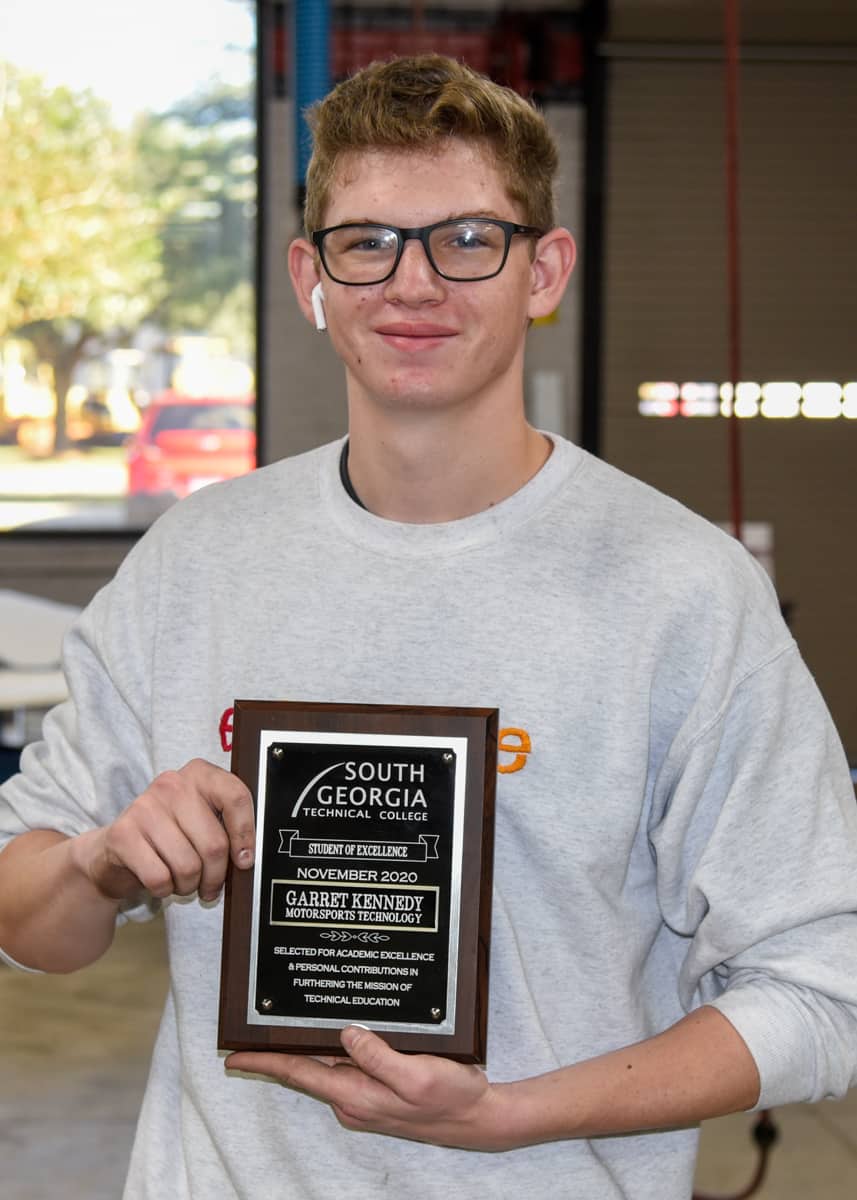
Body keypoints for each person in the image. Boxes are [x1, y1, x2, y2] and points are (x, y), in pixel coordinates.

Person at [1, 54, 856, 1200]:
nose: (412, 284)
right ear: (310, 274)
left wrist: (509, 1117)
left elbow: (823, 989)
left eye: (465, 239)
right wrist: (100, 864)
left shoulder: (679, 594)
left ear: (542, 270)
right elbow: (26, 918)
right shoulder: (194, 563)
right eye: (366, 242)